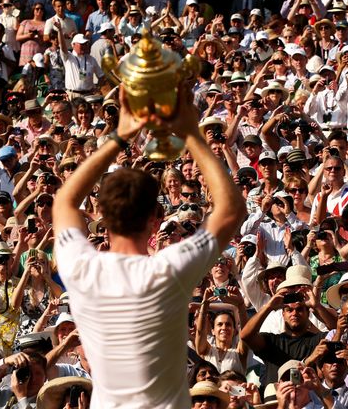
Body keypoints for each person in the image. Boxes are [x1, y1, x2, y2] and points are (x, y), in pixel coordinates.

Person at [51, 85, 246, 407]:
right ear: (155, 220)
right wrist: (190, 133)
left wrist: (120, 135)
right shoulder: (167, 269)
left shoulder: (80, 266)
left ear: (101, 215)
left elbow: (65, 200)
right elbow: (232, 209)